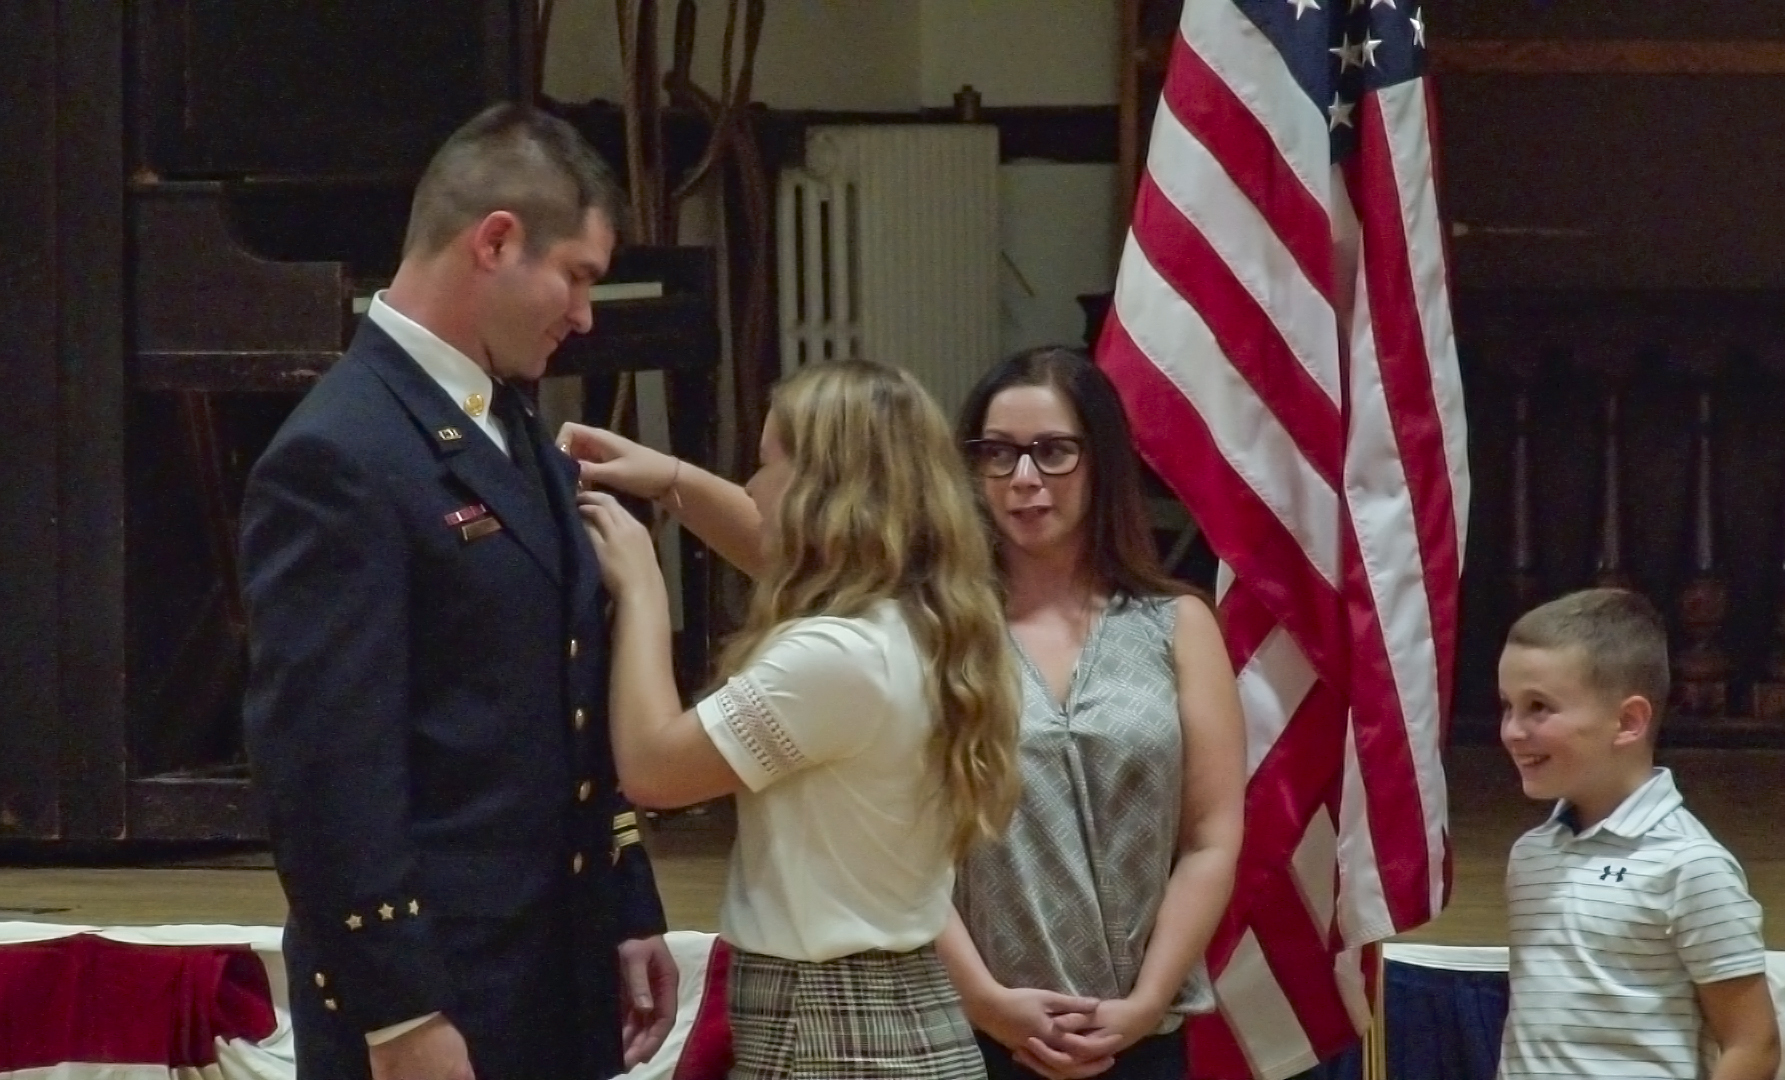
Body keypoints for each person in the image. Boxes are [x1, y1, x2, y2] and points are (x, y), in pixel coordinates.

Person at [239, 102, 675, 1080]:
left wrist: (625, 900)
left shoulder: (501, 419)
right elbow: (325, 769)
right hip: (435, 992)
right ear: (496, 241)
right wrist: (398, 1013)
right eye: (578, 276)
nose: (585, 315)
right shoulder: (339, 453)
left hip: (547, 972)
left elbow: (566, 698)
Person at [570, 358, 1025, 1079]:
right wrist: (669, 480)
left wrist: (643, 586)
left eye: (765, 465)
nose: (750, 489)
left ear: (822, 490)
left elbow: (655, 769)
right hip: (895, 1009)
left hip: (831, 1026)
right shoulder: (925, 621)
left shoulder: (838, 656)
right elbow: (768, 548)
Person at [936, 347, 1246, 1080]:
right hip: (976, 1028)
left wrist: (1144, 1004)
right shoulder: (936, 628)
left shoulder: (1178, 623)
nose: (1023, 479)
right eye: (998, 453)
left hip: (1140, 1031)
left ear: (1101, 460)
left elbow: (1210, 838)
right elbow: (901, 846)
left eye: (1053, 452)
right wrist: (984, 1000)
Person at [1495, 588, 1779, 1080]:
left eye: (1539, 707)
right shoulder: (1532, 853)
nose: (1513, 731)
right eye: (1507, 707)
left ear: (1627, 721)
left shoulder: (1689, 864)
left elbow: (1753, 1044)